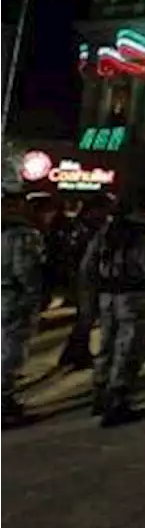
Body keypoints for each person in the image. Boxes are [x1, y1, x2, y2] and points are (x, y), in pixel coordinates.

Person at [86, 185, 145, 426]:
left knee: (107, 344)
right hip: (135, 294)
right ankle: (118, 401)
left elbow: (90, 261)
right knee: (130, 348)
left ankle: (100, 393)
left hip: (108, 294)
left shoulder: (110, 227)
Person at [0, 177, 45, 429]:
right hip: (12, 298)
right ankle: (4, 403)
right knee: (11, 353)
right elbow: (26, 271)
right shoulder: (21, 234)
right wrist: (33, 297)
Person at [57, 192, 115, 370]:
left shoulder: (95, 224)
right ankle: (79, 354)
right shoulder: (82, 226)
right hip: (85, 276)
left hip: (92, 275)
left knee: (87, 317)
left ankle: (71, 353)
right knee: (86, 317)